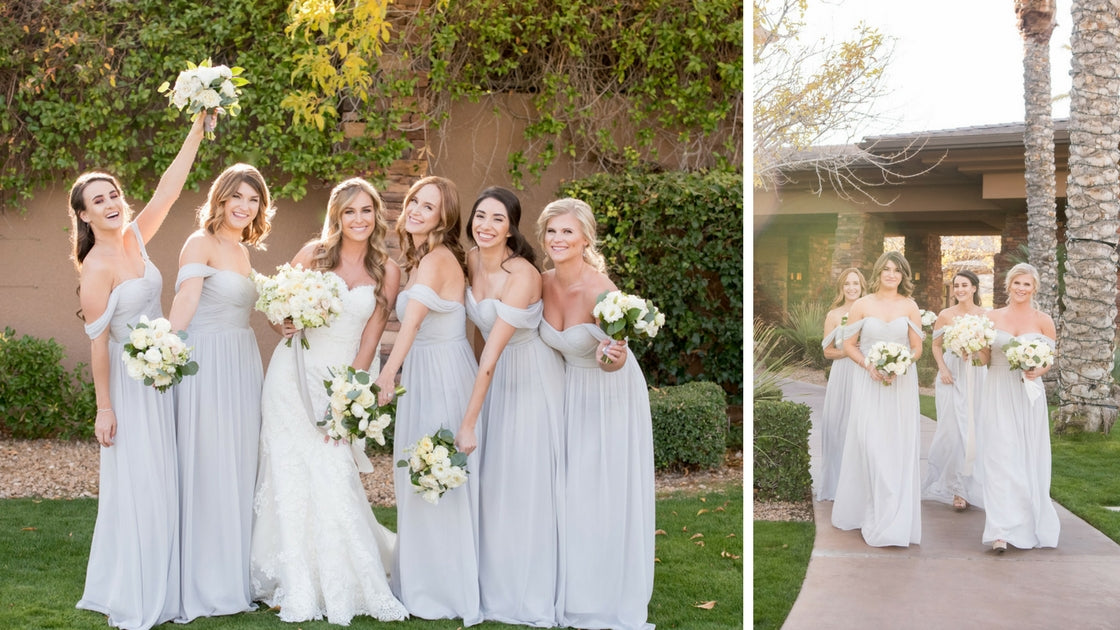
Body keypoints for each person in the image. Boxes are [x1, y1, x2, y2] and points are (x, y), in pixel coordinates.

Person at [72, 113, 211, 629]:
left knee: (168, 480)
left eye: (113, 195)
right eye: (99, 201)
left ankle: (170, 581)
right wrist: (104, 408)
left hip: (164, 379)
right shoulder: (95, 269)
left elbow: (169, 192)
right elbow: (99, 344)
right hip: (130, 393)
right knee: (141, 486)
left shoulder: (135, 238)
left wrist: (196, 130)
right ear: (85, 217)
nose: (110, 204)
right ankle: (137, 587)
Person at [250, 178, 408, 624]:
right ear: (337, 216)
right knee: (290, 472)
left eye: (366, 211)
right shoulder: (313, 255)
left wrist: (349, 395)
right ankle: (292, 574)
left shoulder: (387, 271)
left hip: (338, 379)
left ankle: (344, 574)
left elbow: (372, 338)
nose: (358, 219)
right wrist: (280, 321)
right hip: (290, 376)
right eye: (349, 211)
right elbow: (274, 304)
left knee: (333, 472)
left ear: (377, 215)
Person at [537, 198, 654, 630]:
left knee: (597, 491)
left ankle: (601, 593)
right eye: (552, 231)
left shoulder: (602, 290)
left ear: (585, 238)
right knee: (566, 491)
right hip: (566, 392)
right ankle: (567, 583)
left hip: (608, 394)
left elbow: (616, 358)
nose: (558, 239)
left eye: (567, 231)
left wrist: (613, 355)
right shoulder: (541, 281)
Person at [373, 176, 482, 626]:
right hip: (427, 373)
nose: (416, 209)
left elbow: (412, 325)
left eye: (429, 205)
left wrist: (385, 375)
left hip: (442, 377)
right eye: (415, 200)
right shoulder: (419, 258)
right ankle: (423, 578)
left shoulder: (437, 259)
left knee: (436, 476)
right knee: (420, 477)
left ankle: (443, 588)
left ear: (444, 217)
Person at [167, 163, 273, 621]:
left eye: (254, 200)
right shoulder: (200, 242)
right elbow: (185, 303)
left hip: (242, 361)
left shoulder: (243, 251)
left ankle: (233, 570)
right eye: (238, 197)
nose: (245, 207)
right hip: (207, 362)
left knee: (238, 461)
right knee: (209, 461)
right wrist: (165, 353)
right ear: (221, 198)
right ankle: (203, 578)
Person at [462, 187, 565, 627]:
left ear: (512, 228)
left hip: (531, 377)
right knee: (496, 480)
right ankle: (493, 582)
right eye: (480, 216)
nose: (486, 225)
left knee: (525, 483)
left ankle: (529, 591)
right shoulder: (469, 259)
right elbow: (475, 337)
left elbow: (492, 350)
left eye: (497, 219)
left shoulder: (523, 274)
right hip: (498, 378)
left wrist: (468, 422)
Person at [831, 250, 924, 548]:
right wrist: (870, 365)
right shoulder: (862, 304)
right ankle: (868, 509)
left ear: (903, 275)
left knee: (896, 447)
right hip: (868, 383)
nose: (891, 274)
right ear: (878, 273)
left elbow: (917, 348)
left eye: (897, 270)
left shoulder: (910, 307)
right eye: (886, 269)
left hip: (901, 385)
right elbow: (848, 344)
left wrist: (901, 364)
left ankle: (894, 515)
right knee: (870, 444)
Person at [975, 263, 1060, 552]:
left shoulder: (1044, 320)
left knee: (1024, 457)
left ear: (1034, 288)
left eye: (1027, 284)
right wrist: (972, 347)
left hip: (1028, 395)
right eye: (1017, 283)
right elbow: (984, 359)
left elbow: (1048, 359)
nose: (1021, 289)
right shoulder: (991, 317)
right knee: (999, 456)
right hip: (997, 389)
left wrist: (1040, 369)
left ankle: (1025, 522)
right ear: (1008, 285)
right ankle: (1000, 530)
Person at [922, 270, 987, 512]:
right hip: (951, 374)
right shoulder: (945, 315)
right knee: (951, 430)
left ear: (974, 288)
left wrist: (976, 352)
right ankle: (951, 484)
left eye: (965, 285)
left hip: (976, 373)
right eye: (956, 285)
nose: (960, 289)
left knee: (972, 429)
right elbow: (936, 346)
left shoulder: (984, 315)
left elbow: (987, 351)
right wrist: (943, 369)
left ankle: (965, 488)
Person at [815, 267, 867, 501]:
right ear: (841, 288)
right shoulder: (834, 315)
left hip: (865, 372)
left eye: (855, 283)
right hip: (843, 374)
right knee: (838, 425)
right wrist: (848, 352)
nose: (852, 288)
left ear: (862, 286)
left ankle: (860, 486)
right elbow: (827, 352)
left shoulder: (870, 312)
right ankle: (836, 485)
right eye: (847, 284)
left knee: (862, 427)